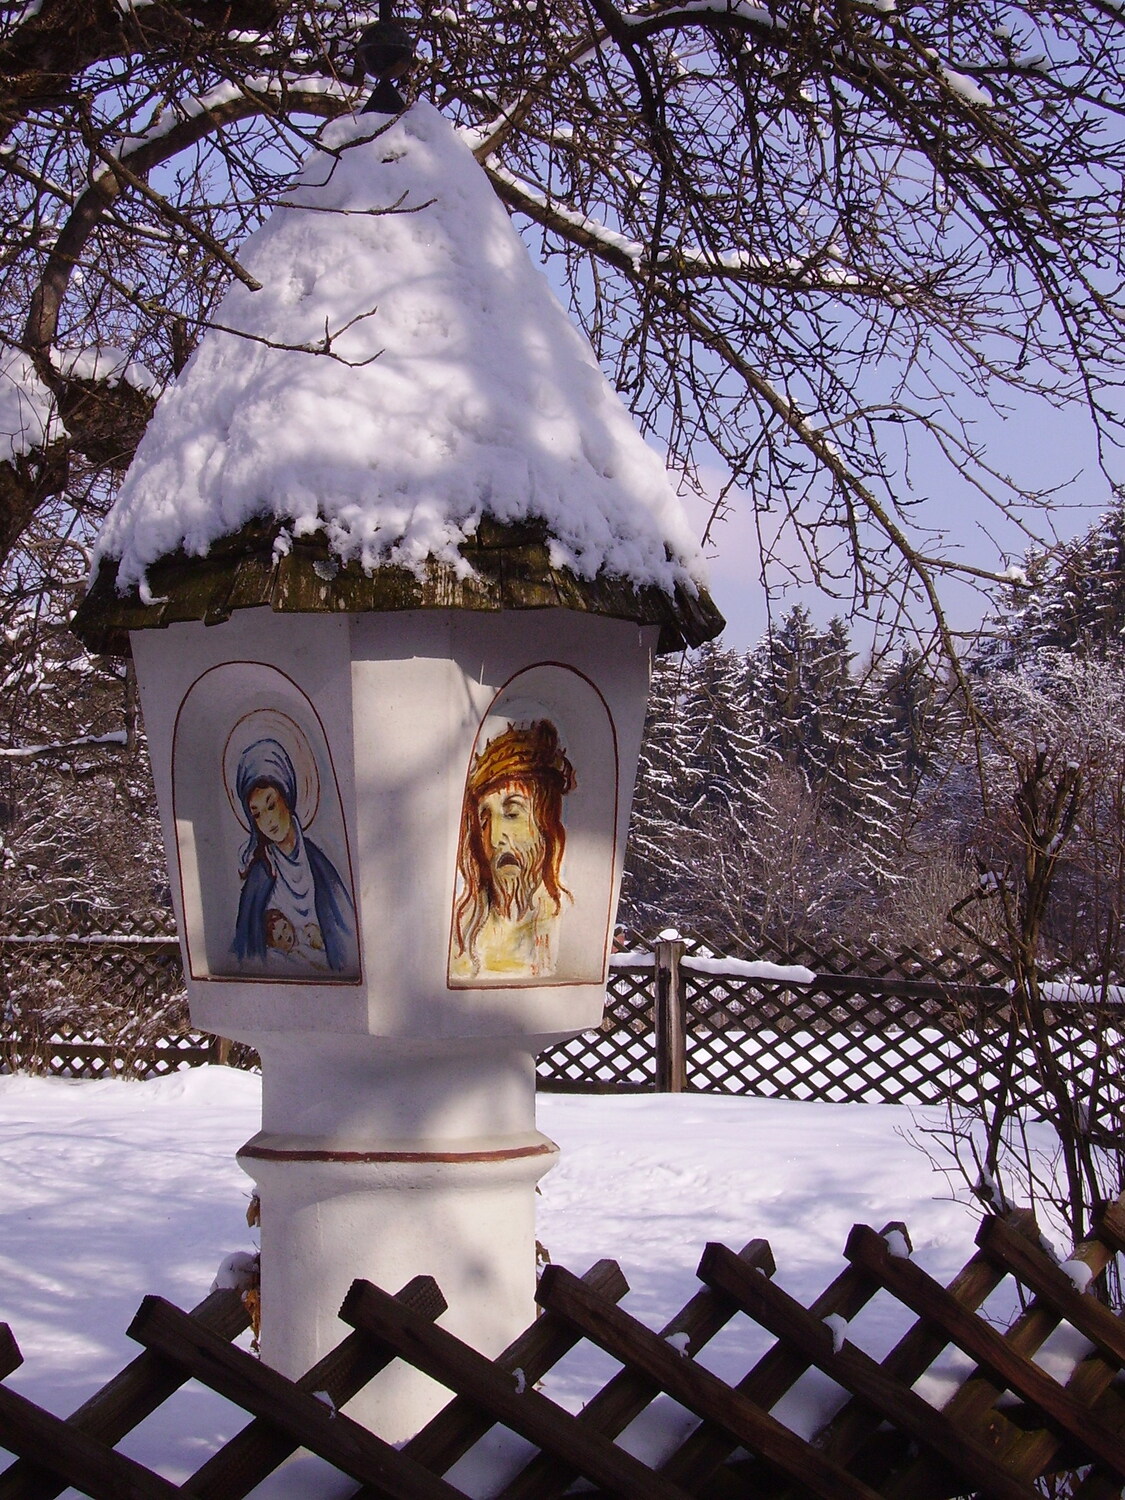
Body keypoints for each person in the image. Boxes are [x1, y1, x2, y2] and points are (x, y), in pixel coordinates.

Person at [450, 719, 576, 979]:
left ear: (546, 823)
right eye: (485, 820)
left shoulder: (563, 925)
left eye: (512, 813)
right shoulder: (463, 930)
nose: (495, 839)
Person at [232, 737, 357, 975]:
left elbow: (345, 931)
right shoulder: (260, 874)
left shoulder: (318, 865)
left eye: (271, 805)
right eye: (257, 814)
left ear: (286, 799)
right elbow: (246, 949)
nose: (267, 821)